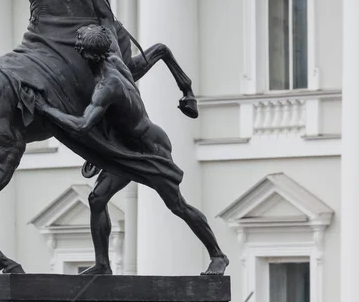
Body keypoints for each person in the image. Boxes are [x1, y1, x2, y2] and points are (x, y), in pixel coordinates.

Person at [35, 24, 229, 275]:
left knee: (177, 205)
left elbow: (82, 125)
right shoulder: (114, 60)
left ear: (88, 56)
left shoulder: (107, 86)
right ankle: (103, 265)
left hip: (149, 149)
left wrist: (46, 109)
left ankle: (218, 256)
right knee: (97, 199)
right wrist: (186, 88)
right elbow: (159, 50)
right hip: (128, 147)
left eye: (79, 50)